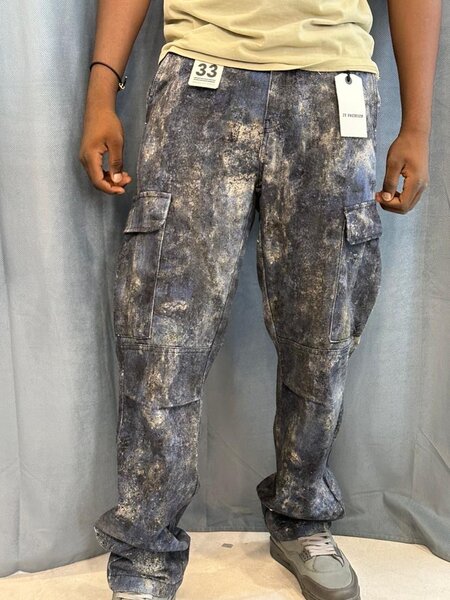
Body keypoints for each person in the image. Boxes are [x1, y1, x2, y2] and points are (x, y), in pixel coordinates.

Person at [79, 1, 441, 599]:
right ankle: (145, 552)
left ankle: (302, 514)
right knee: (162, 334)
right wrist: (100, 94)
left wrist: (419, 125)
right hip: (200, 75)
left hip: (334, 86)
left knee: (323, 332)